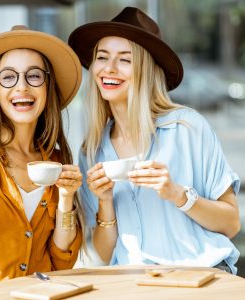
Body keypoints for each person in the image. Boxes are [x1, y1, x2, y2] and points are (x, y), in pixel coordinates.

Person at [68, 7, 241, 274]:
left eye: (125, 60)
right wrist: (104, 202)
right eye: (102, 57)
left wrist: (177, 194)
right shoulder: (91, 151)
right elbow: (103, 254)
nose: (109, 68)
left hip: (201, 277)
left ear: (145, 70)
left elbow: (231, 224)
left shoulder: (187, 128)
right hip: (134, 281)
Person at [0, 25, 83, 298]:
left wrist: (66, 197)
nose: (22, 86)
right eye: (8, 77)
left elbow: (61, 261)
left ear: (47, 87)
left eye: (34, 76)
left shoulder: (55, 160)